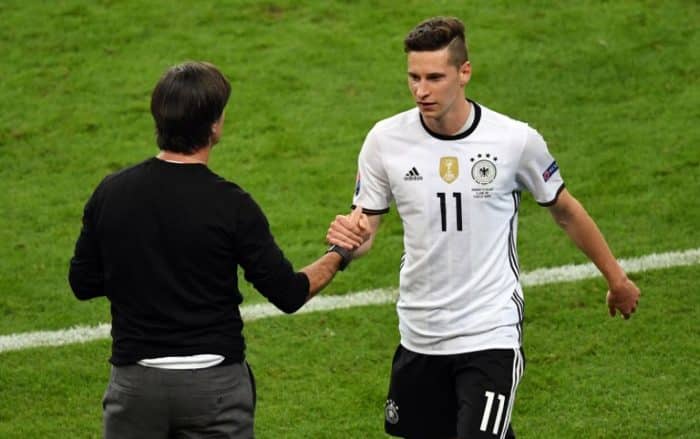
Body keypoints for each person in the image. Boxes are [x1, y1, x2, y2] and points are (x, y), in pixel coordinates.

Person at [326, 17, 641, 439]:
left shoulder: (514, 140)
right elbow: (368, 228)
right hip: (420, 333)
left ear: (464, 72)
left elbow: (565, 210)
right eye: (413, 77)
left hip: (489, 330)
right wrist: (353, 236)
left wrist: (616, 279)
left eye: (435, 77)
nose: (421, 90)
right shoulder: (385, 141)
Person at [69, 61, 366, 439]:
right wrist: (340, 252)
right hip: (215, 391)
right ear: (214, 126)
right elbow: (289, 294)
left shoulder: (111, 192)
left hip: (135, 390)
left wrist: (143, 271)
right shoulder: (231, 205)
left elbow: (83, 283)